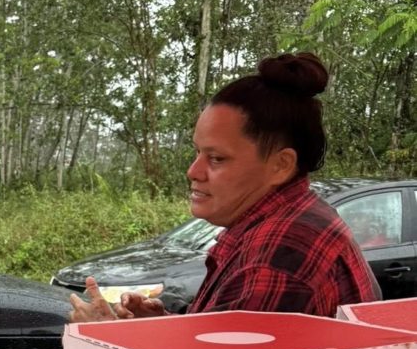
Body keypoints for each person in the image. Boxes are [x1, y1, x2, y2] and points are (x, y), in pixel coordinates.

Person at [70, 53, 380, 322]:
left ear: (281, 165)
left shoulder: (280, 252)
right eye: (197, 152)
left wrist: (105, 337)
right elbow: (223, 343)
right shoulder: (291, 218)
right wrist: (160, 325)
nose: (193, 171)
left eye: (216, 158)